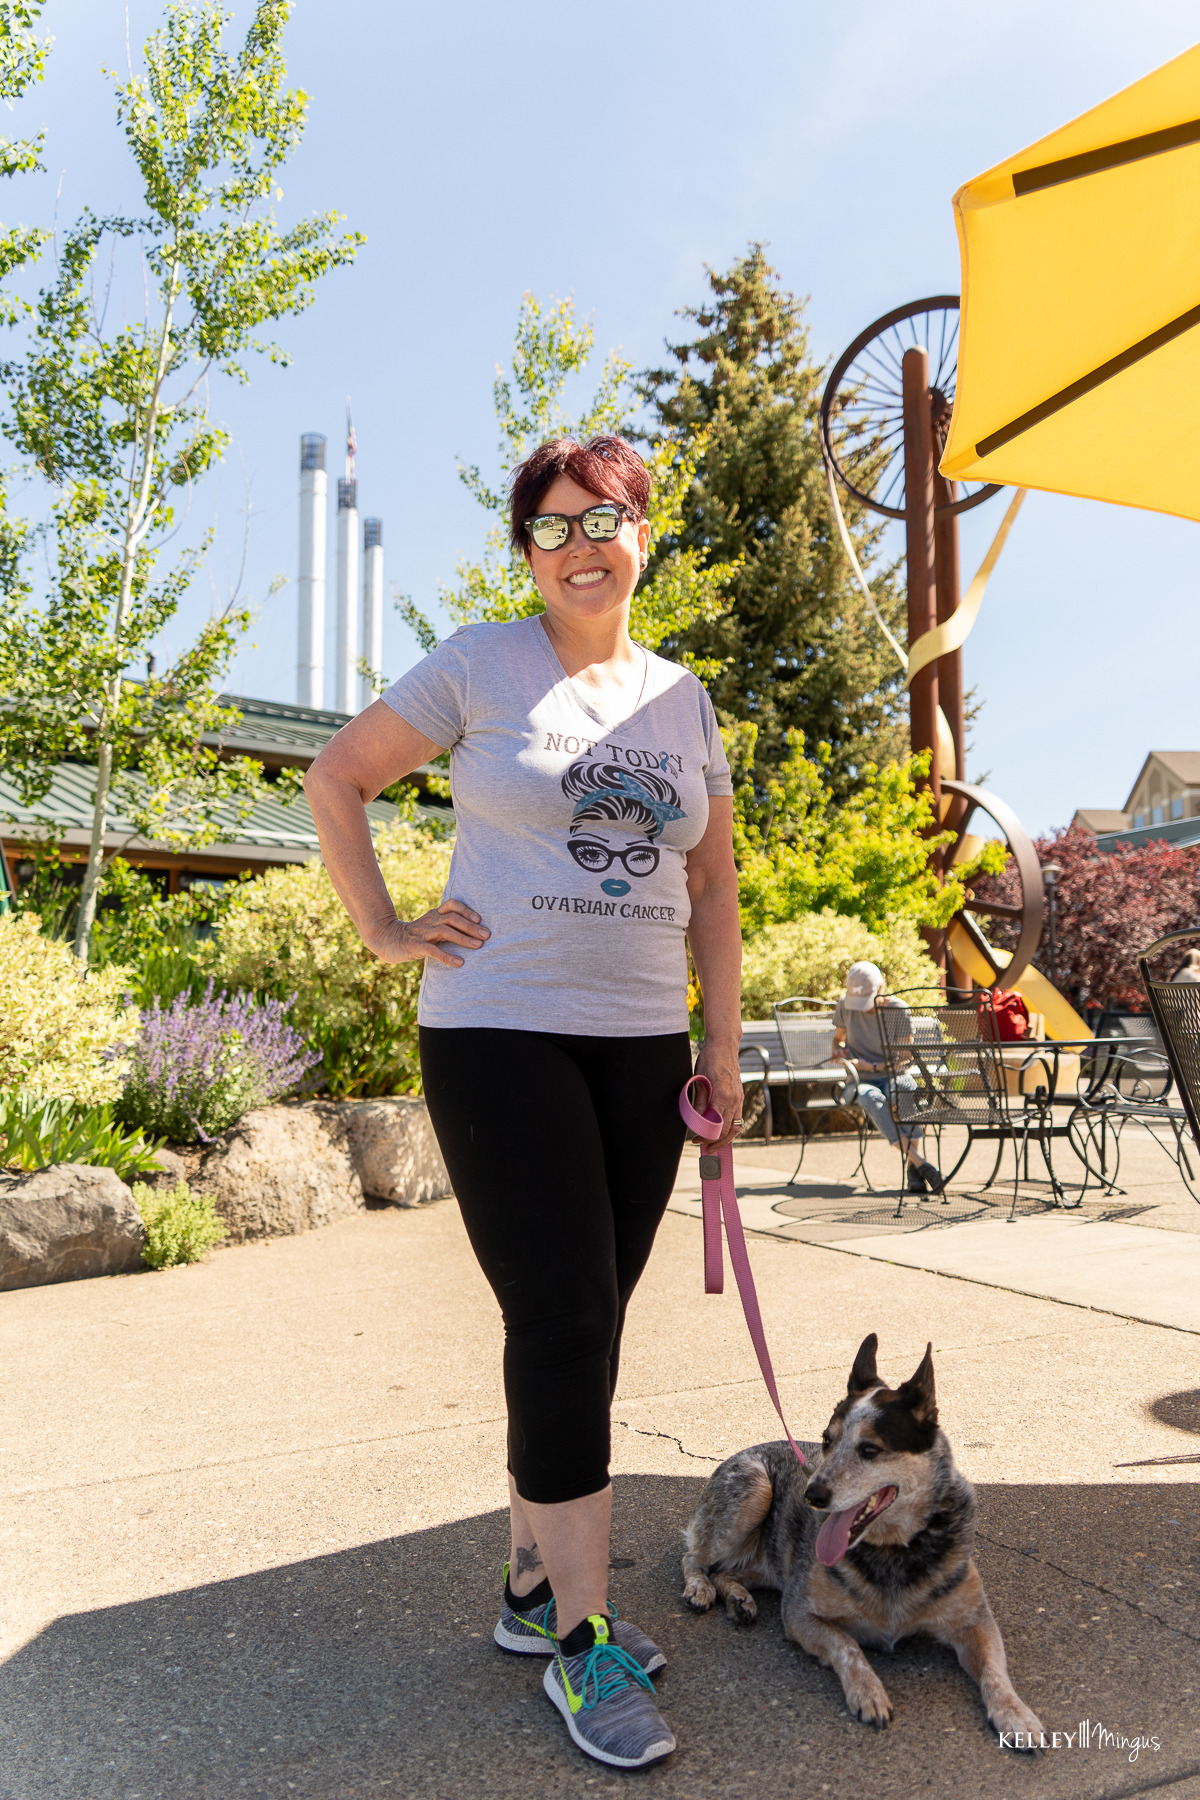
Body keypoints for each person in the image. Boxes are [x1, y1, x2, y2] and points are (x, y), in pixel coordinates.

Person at [304, 434, 742, 1771]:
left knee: (590, 1317)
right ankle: (585, 1643)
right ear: (527, 552)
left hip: (638, 1046)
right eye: (549, 528)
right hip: (497, 1033)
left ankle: (528, 1590)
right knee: (558, 1316)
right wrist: (383, 929)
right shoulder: (479, 663)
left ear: (642, 535)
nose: (577, 544)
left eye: (602, 518)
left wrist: (718, 1050)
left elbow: (714, 889)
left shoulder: (683, 700)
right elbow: (340, 778)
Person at [831, 962, 944, 1195]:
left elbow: (905, 1058)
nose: (862, 1009)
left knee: (904, 1089)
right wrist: (839, 1052)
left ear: (882, 988)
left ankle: (914, 1169)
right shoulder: (844, 1006)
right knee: (872, 1097)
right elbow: (838, 1040)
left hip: (893, 1074)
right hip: (858, 1081)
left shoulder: (898, 1009)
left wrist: (873, 1065)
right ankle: (920, 1164)